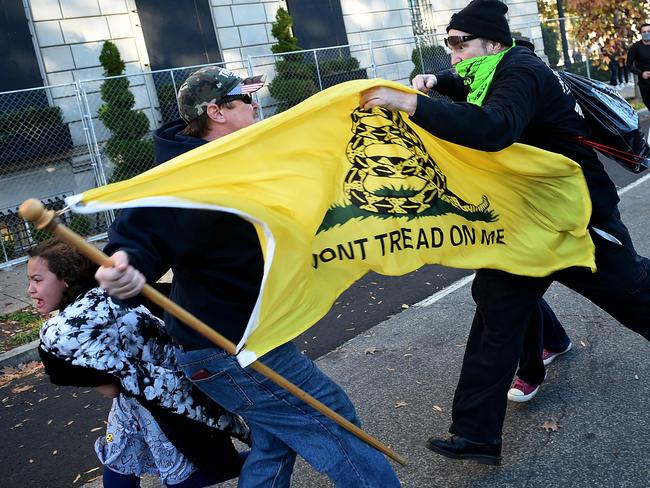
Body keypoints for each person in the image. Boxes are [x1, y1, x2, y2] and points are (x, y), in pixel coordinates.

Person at [359, 0, 650, 465]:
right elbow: (472, 84)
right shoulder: (495, 66)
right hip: (529, 222)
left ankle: (498, 405)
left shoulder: (522, 71)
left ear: (492, 44)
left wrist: (415, 104)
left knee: (634, 294)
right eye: (447, 44)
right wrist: (439, 81)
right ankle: (476, 433)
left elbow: (495, 125)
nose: (451, 53)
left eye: (459, 45)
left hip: (578, 219)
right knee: (496, 307)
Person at [94, 66, 401, 487]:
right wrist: (124, 267)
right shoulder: (179, 180)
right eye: (246, 99)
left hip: (256, 332)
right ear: (216, 111)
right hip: (227, 345)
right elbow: (134, 237)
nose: (256, 105)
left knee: (275, 443)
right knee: (334, 422)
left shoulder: (245, 157)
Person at [28, 238, 250, 487]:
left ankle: (269, 456)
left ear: (66, 279)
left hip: (166, 398)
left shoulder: (77, 322)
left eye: (37, 280)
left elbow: (109, 387)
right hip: (135, 401)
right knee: (119, 468)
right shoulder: (103, 298)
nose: (30, 289)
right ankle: (267, 454)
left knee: (186, 476)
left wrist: (95, 373)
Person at [628, 23, 650, 108]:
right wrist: (641, 74)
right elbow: (629, 65)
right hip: (645, 85)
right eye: (644, 32)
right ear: (641, 34)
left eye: (648, 31)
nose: (646, 33)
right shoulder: (635, 47)